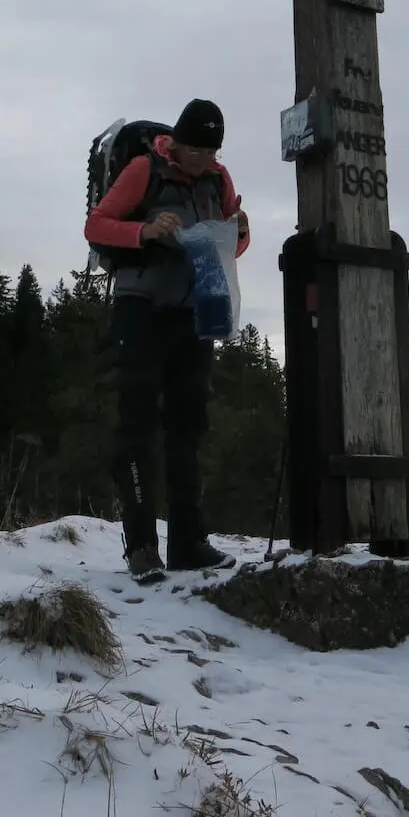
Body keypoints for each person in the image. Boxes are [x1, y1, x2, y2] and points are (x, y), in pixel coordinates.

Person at [84, 98, 249, 582]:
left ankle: (188, 544)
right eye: (196, 150)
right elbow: (96, 225)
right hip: (140, 308)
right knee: (137, 425)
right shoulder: (144, 170)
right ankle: (141, 547)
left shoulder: (219, 180)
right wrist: (146, 231)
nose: (204, 160)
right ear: (176, 141)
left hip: (196, 311)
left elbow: (233, 246)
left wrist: (240, 232)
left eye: (212, 151)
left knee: (188, 427)